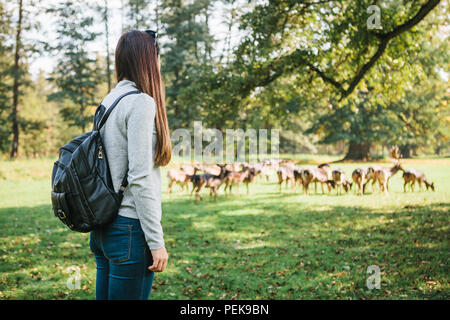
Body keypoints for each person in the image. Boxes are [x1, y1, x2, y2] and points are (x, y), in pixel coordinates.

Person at [89, 30, 171, 300]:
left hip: (103, 227)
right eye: (157, 58)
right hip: (129, 230)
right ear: (148, 60)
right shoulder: (141, 103)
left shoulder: (109, 101)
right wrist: (156, 242)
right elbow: (140, 177)